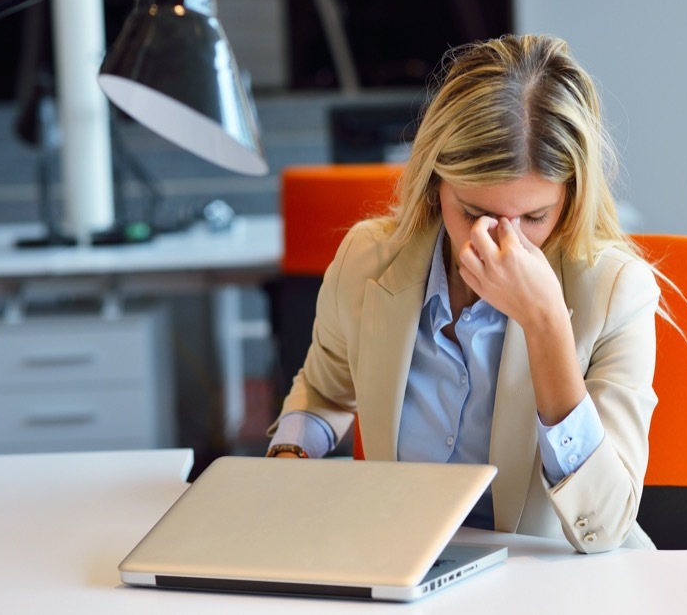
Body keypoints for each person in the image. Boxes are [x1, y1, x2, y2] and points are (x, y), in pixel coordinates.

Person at [266, 34, 660, 553]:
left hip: (553, 581)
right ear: (435, 185)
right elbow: (324, 392)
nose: (502, 241)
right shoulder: (368, 260)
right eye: (474, 213)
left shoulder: (615, 291)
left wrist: (546, 327)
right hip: (403, 563)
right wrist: (287, 460)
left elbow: (604, 528)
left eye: (535, 217)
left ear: (571, 197)